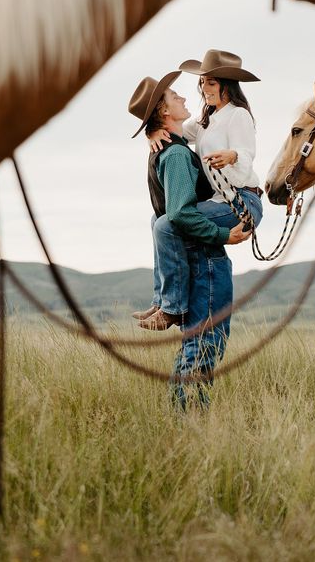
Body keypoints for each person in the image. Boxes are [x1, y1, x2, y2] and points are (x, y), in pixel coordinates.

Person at [128, 70, 250, 410]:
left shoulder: (168, 147)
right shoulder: (179, 155)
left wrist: (152, 129)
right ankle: (189, 415)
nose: (184, 98)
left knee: (196, 339)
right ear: (165, 112)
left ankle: (181, 413)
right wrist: (224, 234)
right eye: (174, 97)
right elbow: (178, 214)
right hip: (205, 260)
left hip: (191, 256)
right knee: (208, 339)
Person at [136, 49, 263, 330]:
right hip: (221, 200)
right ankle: (162, 300)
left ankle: (172, 309)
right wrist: (151, 132)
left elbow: (246, 162)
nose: (204, 89)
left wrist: (233, 156)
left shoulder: (238, 116)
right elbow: (173, 129)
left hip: (242, 200)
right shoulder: (206, 119)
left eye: (211, 83)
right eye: (202, 83)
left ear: (226, 86)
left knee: (167, 225)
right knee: (157, 219)